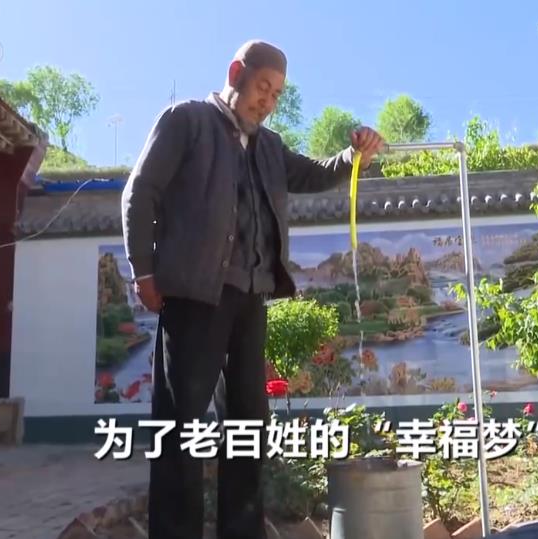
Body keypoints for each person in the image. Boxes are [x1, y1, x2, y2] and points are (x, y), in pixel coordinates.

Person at [121, 39, 384, 539]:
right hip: (194, 295)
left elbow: (315, 173)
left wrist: (355, 154)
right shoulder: (186, 121)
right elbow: (140, 192)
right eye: (263, 86)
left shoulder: (269, 146)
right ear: (236, 73)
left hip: (251, 296)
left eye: (277, 94)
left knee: (248, 425)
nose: (268, 100)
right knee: (181, 424)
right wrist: (143, 271)